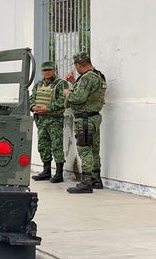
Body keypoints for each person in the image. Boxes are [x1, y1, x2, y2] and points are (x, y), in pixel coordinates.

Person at [63, 51, 107, 193]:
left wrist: (67, 93)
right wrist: (74, 82)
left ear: (79, 64)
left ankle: (86, 183)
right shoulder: (98, 75)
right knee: (94, 149)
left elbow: (78, 98)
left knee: (85, 149)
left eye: (76, 65)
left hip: (85, 119)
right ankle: (96, 179)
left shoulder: (87, 77)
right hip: (94, 117)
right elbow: (88, 93)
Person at [30, 61, 69, 183]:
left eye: (49, 70)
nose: (47, 72)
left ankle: (59, 173)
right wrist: (33, 107)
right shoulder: (38, 84)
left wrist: (48, 108)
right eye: (44, 70)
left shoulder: (61, 84)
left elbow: (63, 101)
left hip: (54, 120)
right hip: (41, 120)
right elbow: (32, 98)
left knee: (56, 146)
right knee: (43, 146)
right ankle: (46, 171)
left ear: (54, 70)